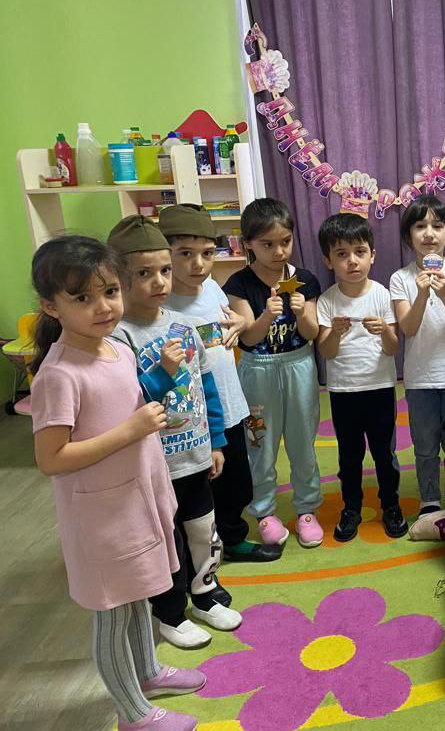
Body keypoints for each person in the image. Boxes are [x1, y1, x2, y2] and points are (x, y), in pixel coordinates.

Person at [30, 236, 205, 731]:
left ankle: (147, 672)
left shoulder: (116, 348)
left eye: (109, 291)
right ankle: (133, 714)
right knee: (113, 611)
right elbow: (51, 458)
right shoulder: (59, 375)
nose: (103, 306)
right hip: (102, 518)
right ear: (51, 306)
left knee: (140, 594)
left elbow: (131, 401)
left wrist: (162, 378)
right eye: (82, 298)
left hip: (138, 499)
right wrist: (130, 431)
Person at [108, 215, 241, 649]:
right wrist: (163, 370)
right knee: (164, 538)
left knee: (203, 529)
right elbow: (127, 401)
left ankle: (206, 595)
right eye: (144, 273)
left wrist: (216, 441)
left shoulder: (182, 325)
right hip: (153, 464)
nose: (159, 281)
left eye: (164, 270)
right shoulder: (118, 337)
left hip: (195, 454)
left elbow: (206, 385)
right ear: (118, 278)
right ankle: (169, 612)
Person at [162, 204, 281, 564]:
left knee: (238, 481)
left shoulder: (213, 288)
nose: (198, 264)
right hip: (192, 416)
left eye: (207, 253)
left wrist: (241, 325)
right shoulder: (163, 302)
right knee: (199, 489)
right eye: (185, 254)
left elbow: (231, 327)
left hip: (229, 404)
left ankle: (233, 537)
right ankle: (195, 555)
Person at [224, 198, 324, 549]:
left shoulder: (305, 280)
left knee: (303, 444)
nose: (279, 251)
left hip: (299, 367)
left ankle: (306, 509)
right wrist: (267, 315)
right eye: (267, 244)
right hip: (258, 373)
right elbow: (248, 339)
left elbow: (311, 333)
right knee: (260, 446)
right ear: (248, 244)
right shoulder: (239, 284)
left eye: (285, 242)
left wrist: (302, 313)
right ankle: (265, 512)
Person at [316, 212, 407, 542]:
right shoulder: (327, 300)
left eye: (359, 251)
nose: (352, 261)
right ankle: (351, 507)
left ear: (372, 255)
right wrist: (335, 333)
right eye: (342, 254)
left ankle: (391, 504)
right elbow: (327, 352)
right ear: (329, 261)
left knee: (385, 453)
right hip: (343, 391)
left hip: (380, 387)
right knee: (349, 455)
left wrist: (385, 331)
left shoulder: (382, 294)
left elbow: (393, 348)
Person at [390, 195, 445, 517]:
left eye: (437, 226)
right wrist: (422, 293)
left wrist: (444, 293)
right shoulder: (401, 278)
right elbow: (408, 327)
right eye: (420, 226)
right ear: (408, 236)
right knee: (425, 446)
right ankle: (428, 498)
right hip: (419, 380)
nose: (429, 233)